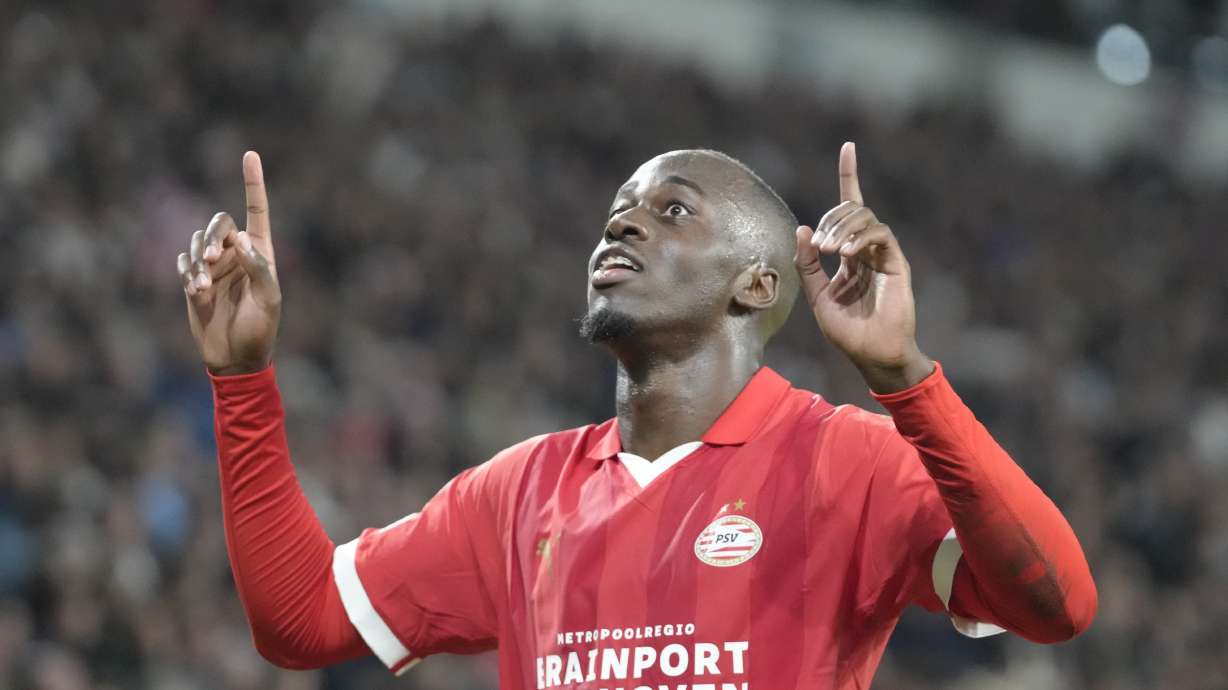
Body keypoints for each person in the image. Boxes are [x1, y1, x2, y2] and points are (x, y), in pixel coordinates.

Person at [176, 144, 1097, 689]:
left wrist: (908, 381)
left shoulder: (847, 461)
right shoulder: (519, 492)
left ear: (758, 283)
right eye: (619, 212)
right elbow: (300, 619)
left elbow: (1057, 604)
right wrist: (243, 379)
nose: (623, 225)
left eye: (672, 210)